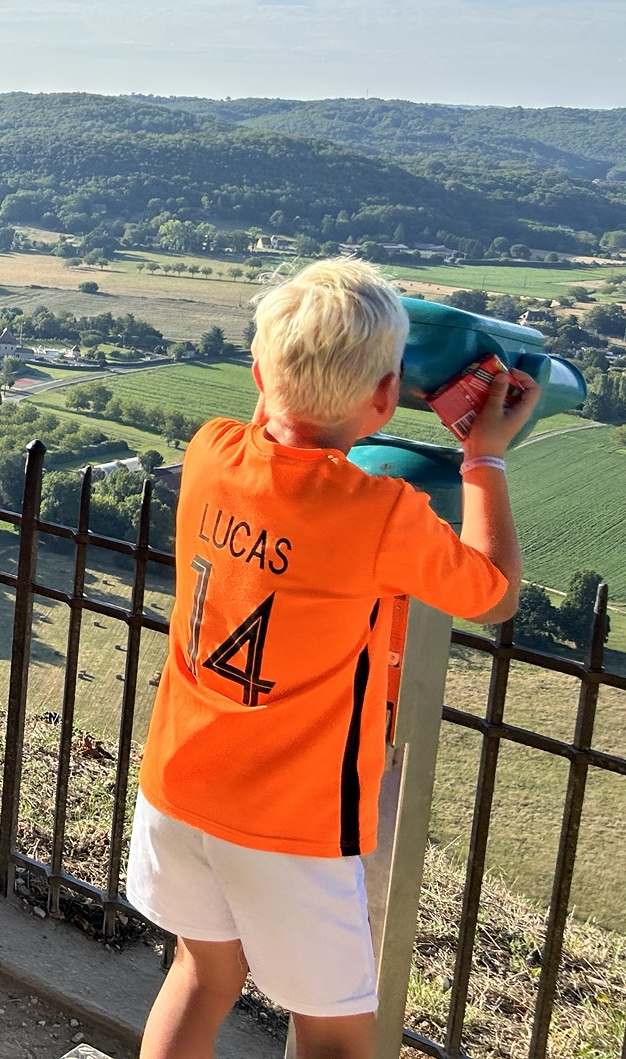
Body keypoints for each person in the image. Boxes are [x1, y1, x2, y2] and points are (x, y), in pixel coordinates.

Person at [131, 258, 532, 1059]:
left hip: (178, 787)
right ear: (385, 399)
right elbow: (493, 594)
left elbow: (277, 433)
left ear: (257, 373)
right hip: (289, 825)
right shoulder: (379, 514)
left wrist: (306, 368)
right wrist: (483, 455)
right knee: (336, 1036)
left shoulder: (211, 453)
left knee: (202, 975)